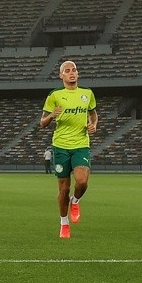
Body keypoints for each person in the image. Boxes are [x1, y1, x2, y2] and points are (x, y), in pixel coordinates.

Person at [41, 59, 97, 239]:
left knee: (82, 181)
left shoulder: (87, 93)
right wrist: (52, 115)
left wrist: (93, 125)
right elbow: (42, 123)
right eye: (67, 70)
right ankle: (64, 223)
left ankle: (76, 201)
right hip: (61, 146)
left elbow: (93, 115)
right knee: (64, 189)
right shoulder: (55, 95)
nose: (71, 72)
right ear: (61, 75)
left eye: (74, 70)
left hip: (81, 144)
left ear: (77, 73)